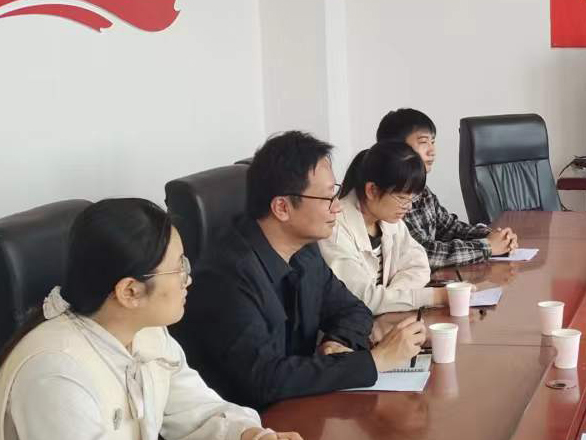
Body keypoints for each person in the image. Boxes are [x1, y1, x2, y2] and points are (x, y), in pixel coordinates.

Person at [0, 198, 300, 440]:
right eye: (178, 268)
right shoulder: (56, 374)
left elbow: (197, 413)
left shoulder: (147, 334)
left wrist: (251, 435)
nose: (188, 279)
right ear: (129, 292)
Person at [175, 131, 426, 410]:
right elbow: (262, 379)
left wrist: (335, 343)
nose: (337, 208)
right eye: (328, 198)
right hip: (248, 420)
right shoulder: (225, 277)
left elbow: (354, 310)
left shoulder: (305, 252)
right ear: (282, 207)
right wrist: (376, 361)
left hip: (299, 407)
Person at [379, 108, 518, 268]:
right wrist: (486, 247)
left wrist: (494, 236)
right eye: (423, 142)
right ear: (396, 148)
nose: (432, 151)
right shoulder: (390, 196)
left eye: (433, 142)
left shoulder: (422, 191)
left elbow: (449, 228)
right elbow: (422, 253)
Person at [319, 141, 446, 312]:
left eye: (412, 198)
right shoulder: (335, 228)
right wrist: (436, 296)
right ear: (372, 190)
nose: (408, 207)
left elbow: (419, 266)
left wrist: (388, 299)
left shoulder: (390, 221)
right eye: (402, 198)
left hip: (383, 319)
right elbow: (361, 299)